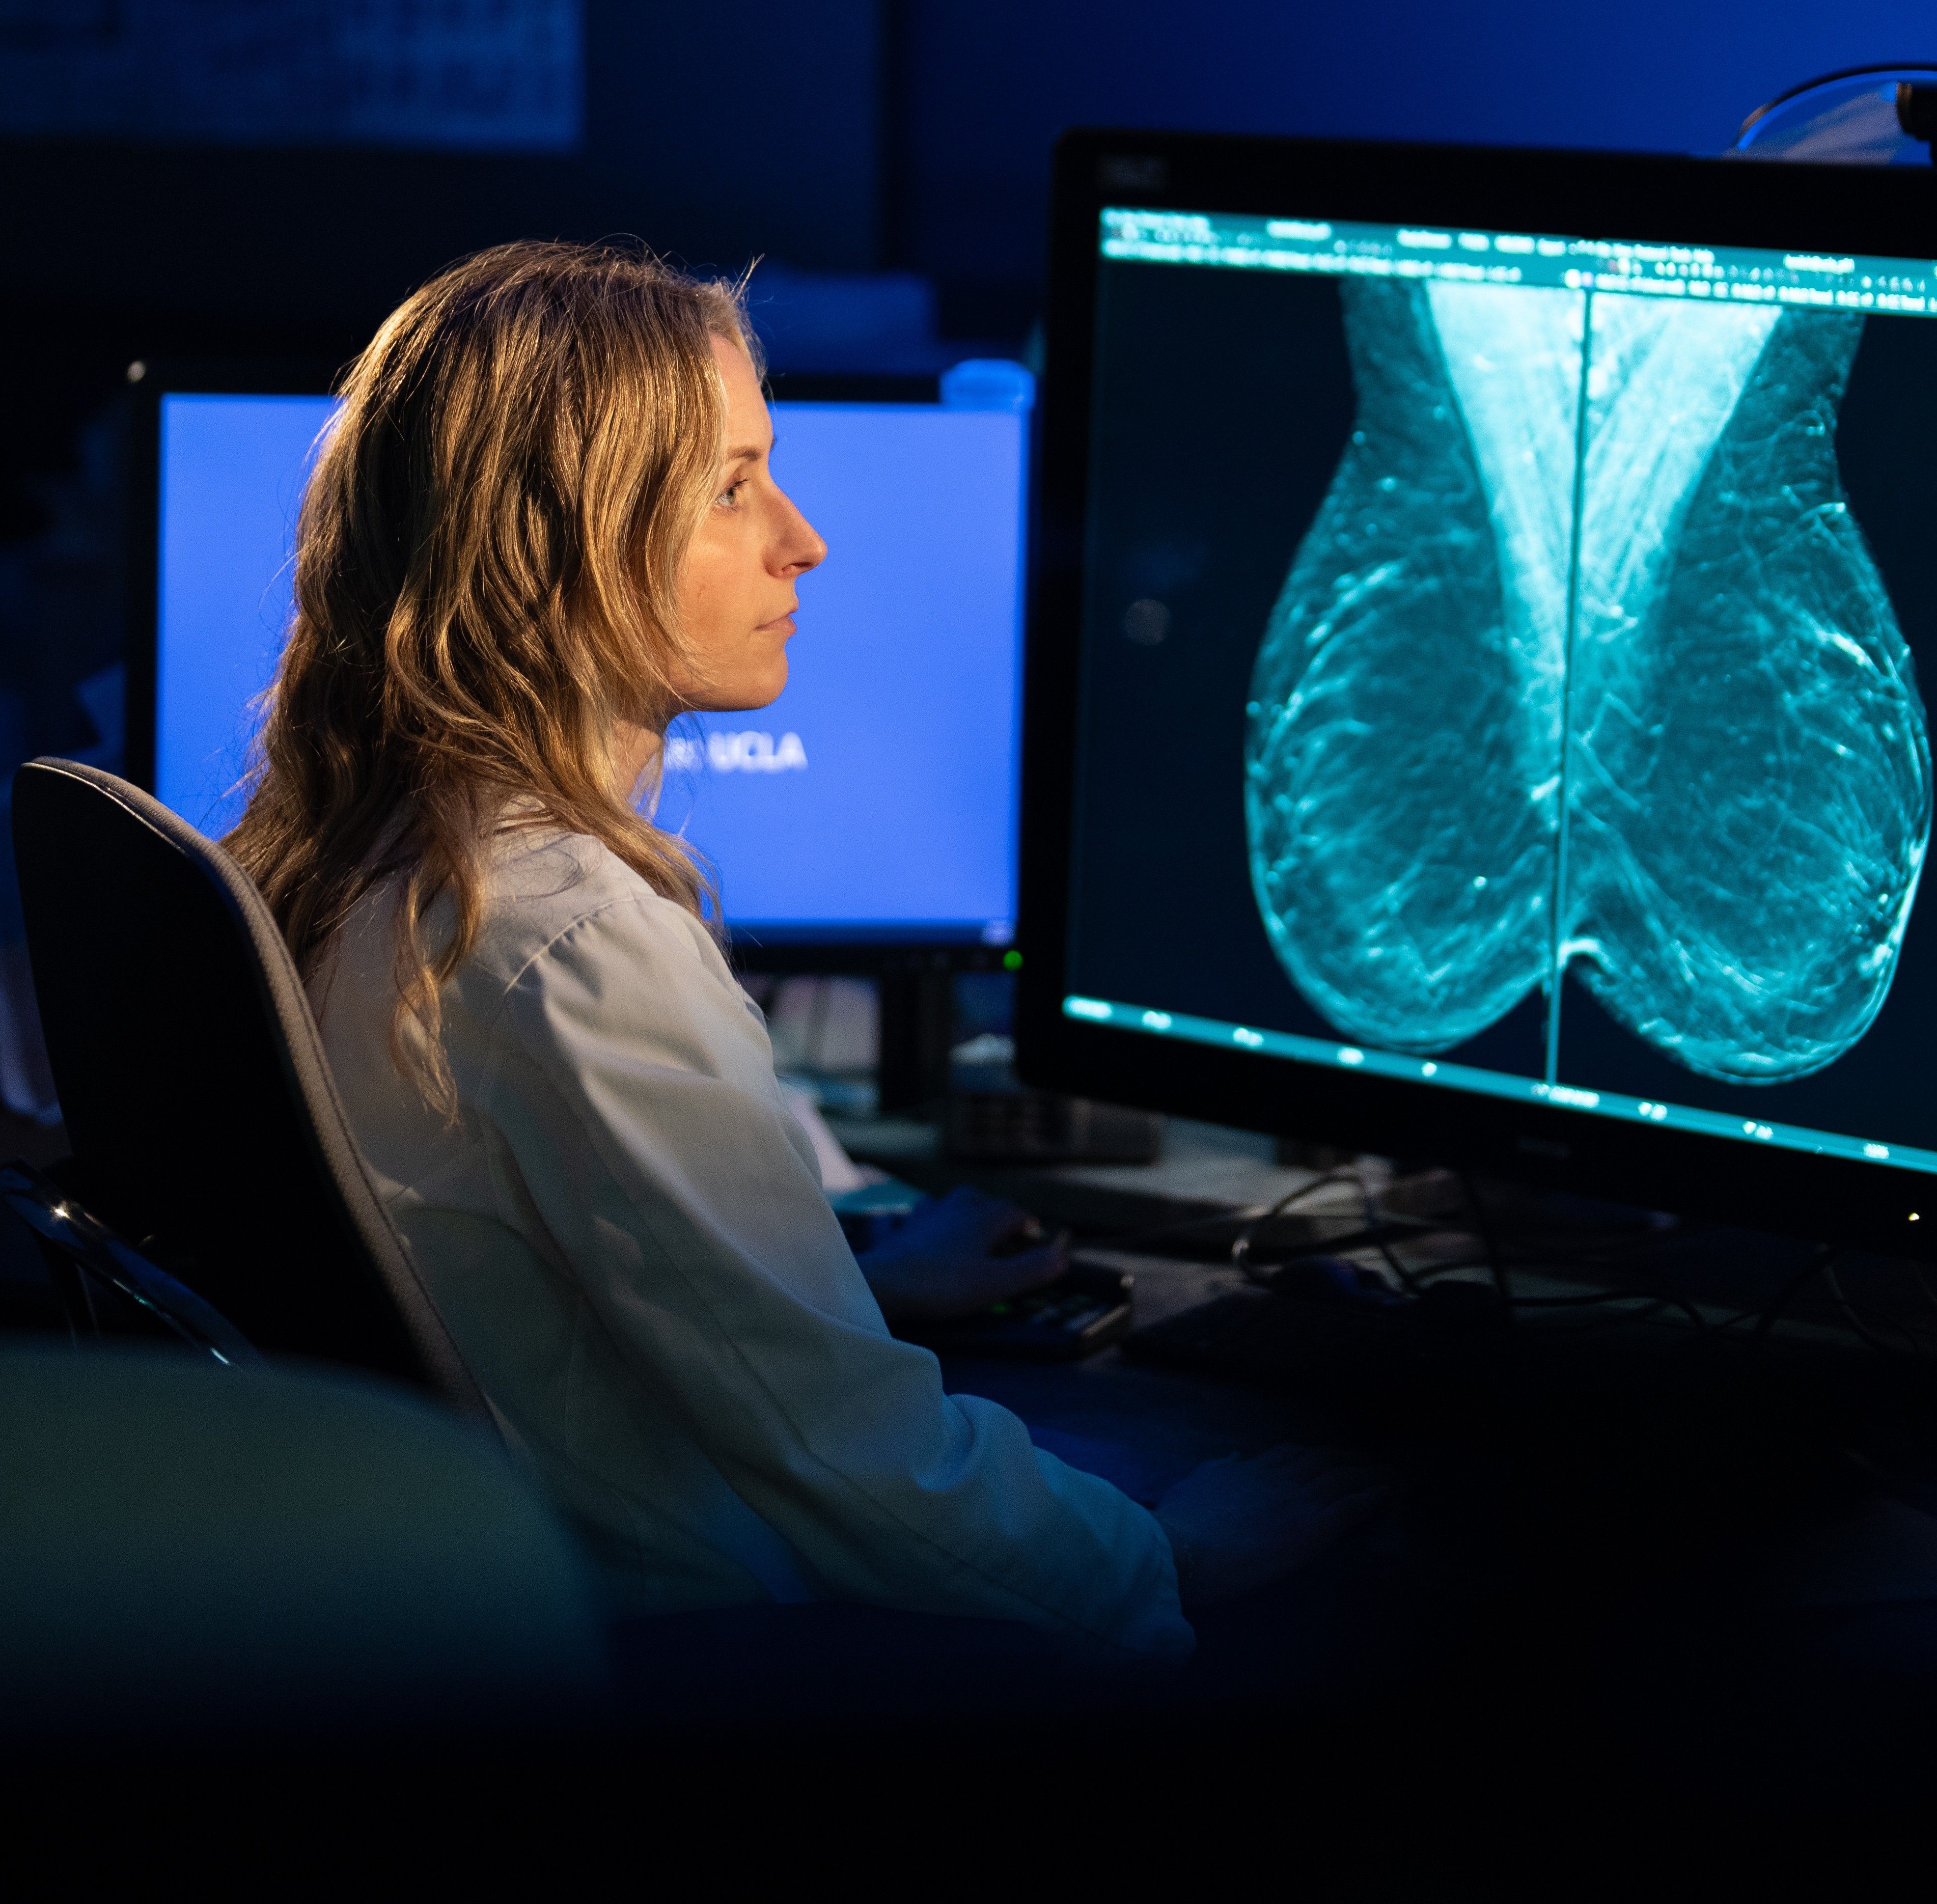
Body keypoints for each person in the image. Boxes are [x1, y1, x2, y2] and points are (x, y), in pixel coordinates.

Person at [229, 241, 1373, 1657]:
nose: (801, 537)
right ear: (560, 543)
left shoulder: (374, 859)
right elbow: (863, 1470)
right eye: (730, 485)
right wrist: (1168, 1563)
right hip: (684, 1657)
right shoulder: (576, 946)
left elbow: (515, 1285)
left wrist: (834, 1283)